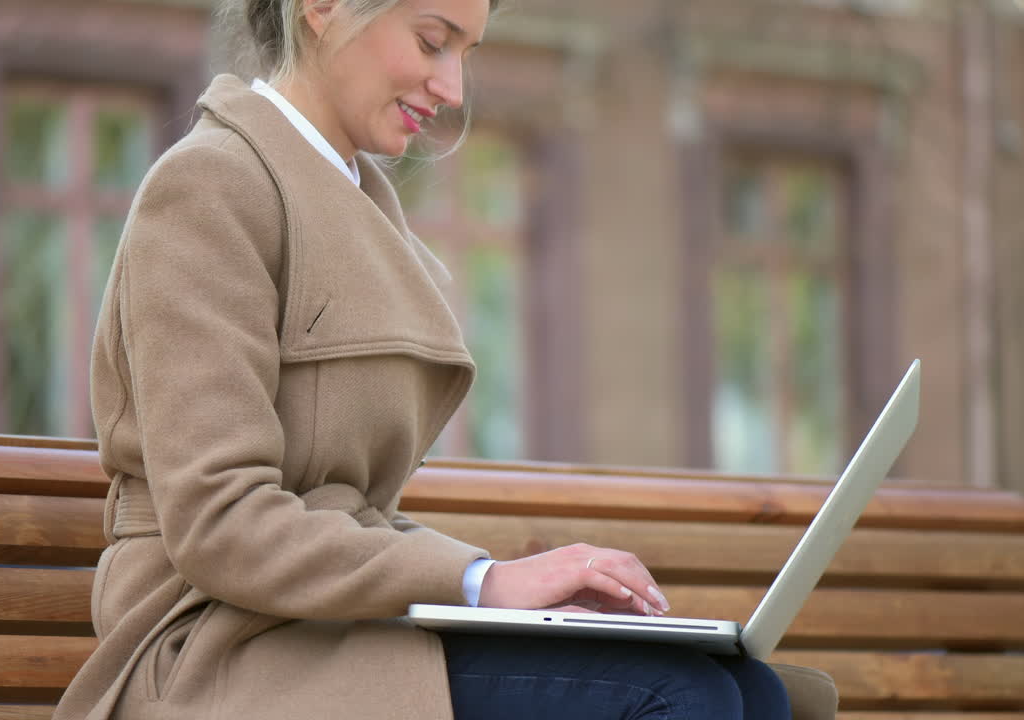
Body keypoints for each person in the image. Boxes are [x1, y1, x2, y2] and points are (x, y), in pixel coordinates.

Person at [52, 0, 805, 718]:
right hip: (211, 652)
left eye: (466, 53)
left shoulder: (352, 203)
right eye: (431, 40)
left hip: (324, 634)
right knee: (682, 698)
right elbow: (222, 523)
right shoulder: (209, 186)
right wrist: (482, 582)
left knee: (750, 689)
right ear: (323, 8)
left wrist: (512, 589)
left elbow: (342, 507)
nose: (452, 88)